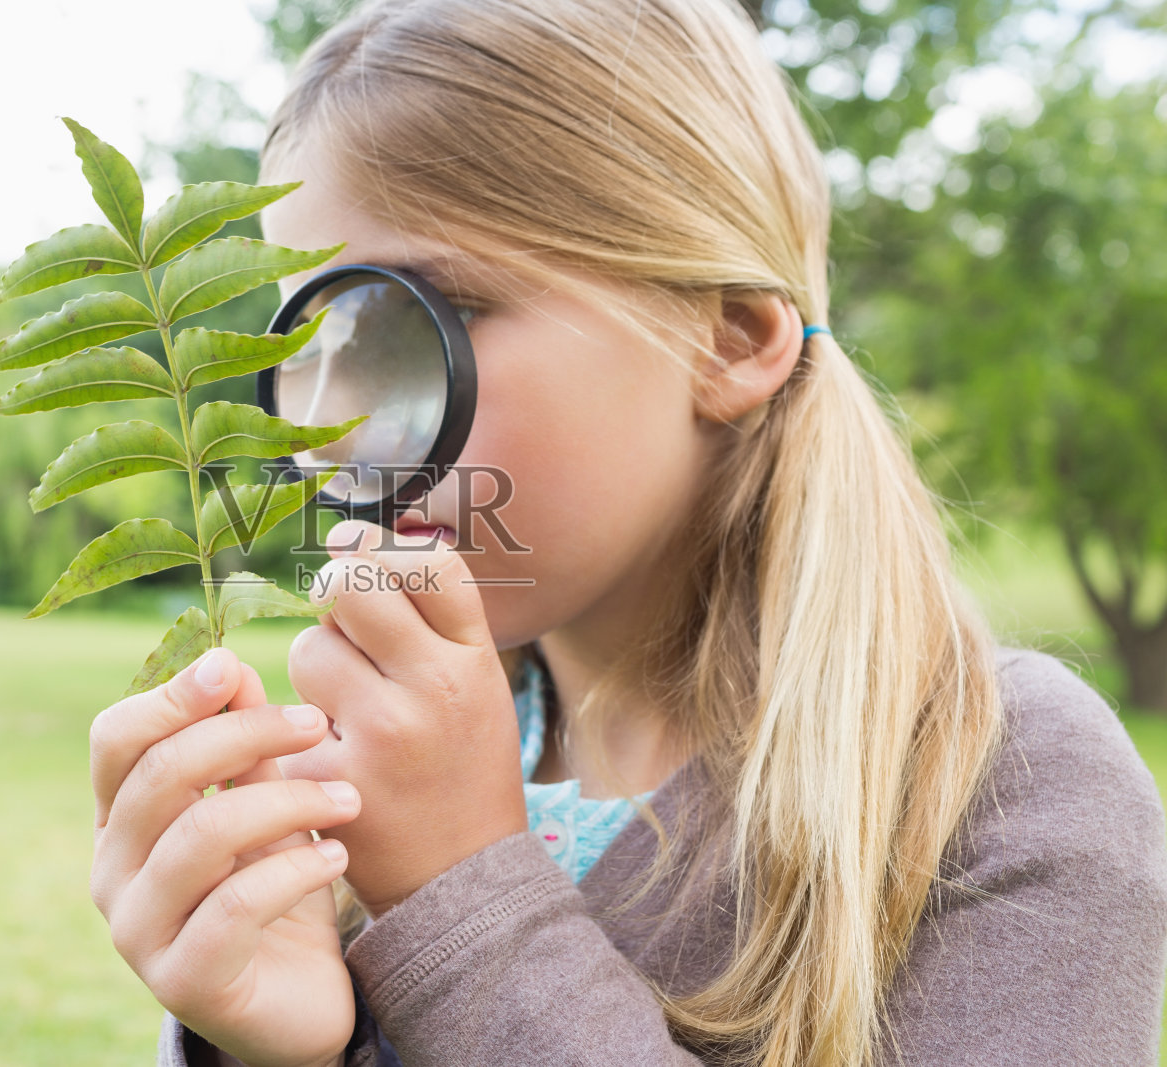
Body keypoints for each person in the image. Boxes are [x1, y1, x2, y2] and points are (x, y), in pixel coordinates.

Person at [85, 0, 1167, 1064]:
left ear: (727, 341)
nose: (328, 429)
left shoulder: (997, 778)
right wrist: (280, 1048)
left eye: (429, 313)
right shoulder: (367, 768)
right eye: (310, 338)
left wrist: (460, 903)